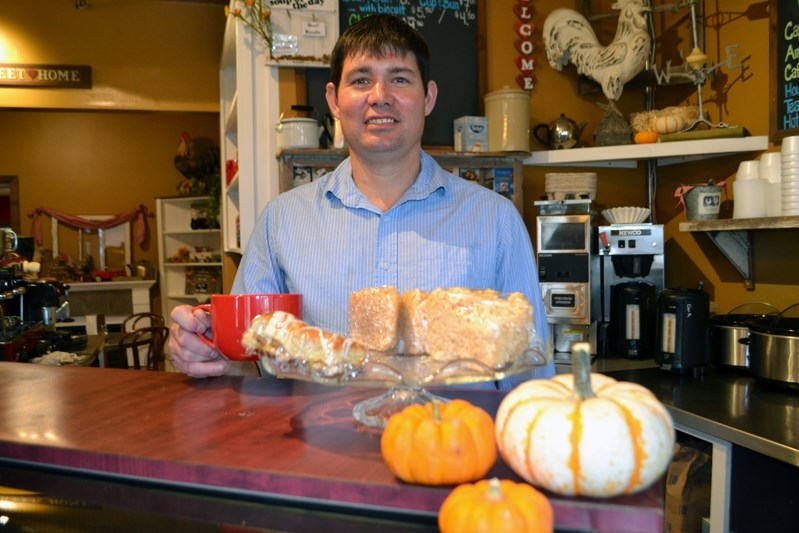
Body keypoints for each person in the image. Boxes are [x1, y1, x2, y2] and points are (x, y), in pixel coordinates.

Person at [169, 14, 554, 388]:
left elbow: (532, 382)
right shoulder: (282, 221)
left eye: (399, 79)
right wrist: (206, 355)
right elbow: (248, 365)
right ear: (335, 100)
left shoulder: (496, 220)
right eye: (361, 79)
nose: (380, 97)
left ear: (428, 97)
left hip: (453, 445)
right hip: (320, 450)